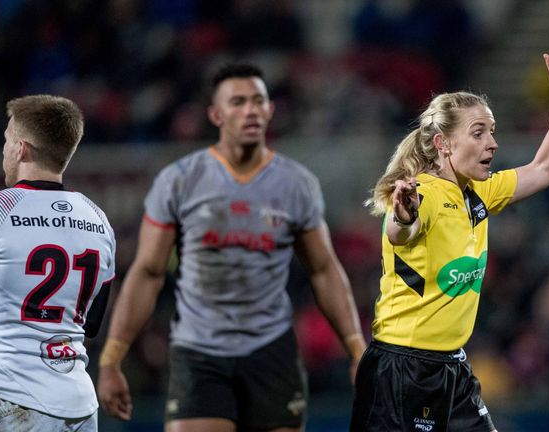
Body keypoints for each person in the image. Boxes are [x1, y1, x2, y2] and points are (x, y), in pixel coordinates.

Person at [97, 62, 366, 431]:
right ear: (216, 114)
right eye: (238, 102)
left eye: (258, 101)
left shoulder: (296, 184)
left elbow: (324, 269)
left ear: (271, 110)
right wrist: (112, 359)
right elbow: (147, 272)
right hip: (199, 353)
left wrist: (355, 349)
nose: (251, 110)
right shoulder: (179, 181)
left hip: (272, 352)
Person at [351, 29, 549, 431]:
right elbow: (399, 232)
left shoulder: (479, 192)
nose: (492, 144)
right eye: (478, 133)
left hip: (451, 368)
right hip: (402, 369)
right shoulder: (421, 193)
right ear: (442, 144)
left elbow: (547, 168)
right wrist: (403, 215)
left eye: (492, 131)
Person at [0, 95, 116, 431]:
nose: (4, 151)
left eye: (8, 141)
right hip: (80, 405)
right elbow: (92, 322)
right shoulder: (99, 220)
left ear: (21, 149)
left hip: (11, 398)